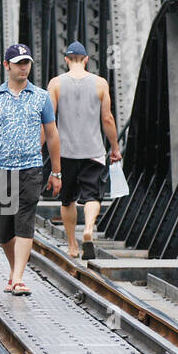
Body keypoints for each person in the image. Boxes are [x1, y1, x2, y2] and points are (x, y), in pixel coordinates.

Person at [0, 43, 61, 296]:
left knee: (25, 223)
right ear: (7, 66)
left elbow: (53, 136)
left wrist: (56, 172)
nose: (24, 67)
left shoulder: (41, 97)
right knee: (4, 230)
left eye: (27, 63)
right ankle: (15, 271)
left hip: (31, 169)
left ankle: (19, 277)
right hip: (1, 170)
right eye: (19, 63)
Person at [48, 40, 121, 259]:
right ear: (87, 60)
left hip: (65, 151)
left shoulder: (56, 84)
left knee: (67, 199)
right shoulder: (100, 83)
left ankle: (72, 245)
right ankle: (89, 228)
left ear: (66, 60)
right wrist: (115, 147)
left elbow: (49, 121)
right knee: (92, 196)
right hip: (93, 150)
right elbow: (107, 119)